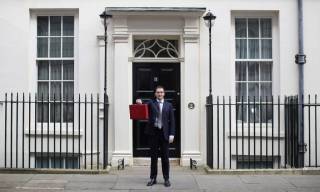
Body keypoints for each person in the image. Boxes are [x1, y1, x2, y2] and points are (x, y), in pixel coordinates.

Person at [136, 85, 175, 187]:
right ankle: (153, 178)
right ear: (155, 94)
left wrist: (172, 134)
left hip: (164, 134)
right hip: (153, 133)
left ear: (164, 93)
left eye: (161, 92)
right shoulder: (151, 103)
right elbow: (143, 106)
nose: (160, 94)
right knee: (153, 158)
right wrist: (139, 102)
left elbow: (172, 121)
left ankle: (166, 178)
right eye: (158, 92)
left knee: (165, 158)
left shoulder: (169, 105)